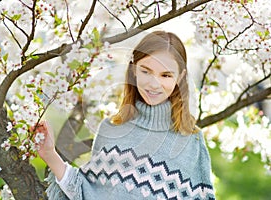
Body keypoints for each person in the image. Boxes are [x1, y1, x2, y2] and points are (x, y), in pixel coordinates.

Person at [35, 31, 216, 199]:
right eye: (146, 71)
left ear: (180, 76)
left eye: (166, 75)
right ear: (133, 70)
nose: (154, 84)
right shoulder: (111, 129)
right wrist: (49, 154)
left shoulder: (192, 141)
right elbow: (87, 191)